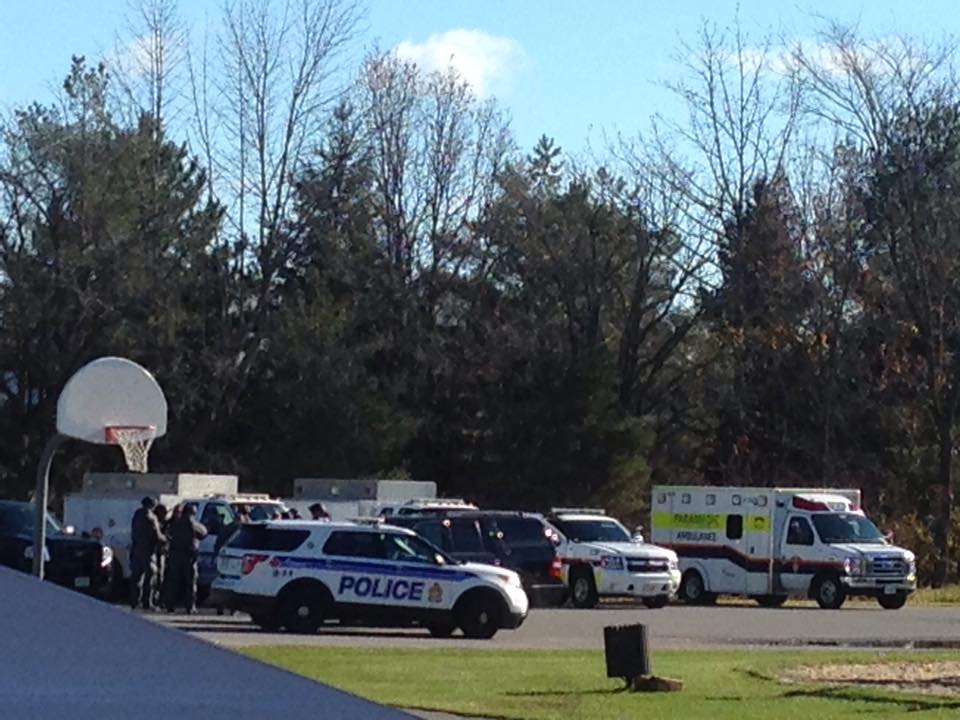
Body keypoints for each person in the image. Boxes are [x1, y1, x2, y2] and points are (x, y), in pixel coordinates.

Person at [164, 504, 208, 613]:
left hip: (175, 555)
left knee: (174, 581)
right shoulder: (193, 524)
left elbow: (169, 533)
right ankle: (190, 606)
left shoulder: (175, 523)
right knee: (190, 582)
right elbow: (203, 533)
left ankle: (170, 605)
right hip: (188, 557)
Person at [129, 497, 163, 610]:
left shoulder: (137, 515)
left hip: (137, 549)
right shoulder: (151, 517)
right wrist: (166, 539)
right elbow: (156, 535)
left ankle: (134, 601)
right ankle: (147, 603)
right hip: (148, 551)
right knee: (150, 577)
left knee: (137, 577)